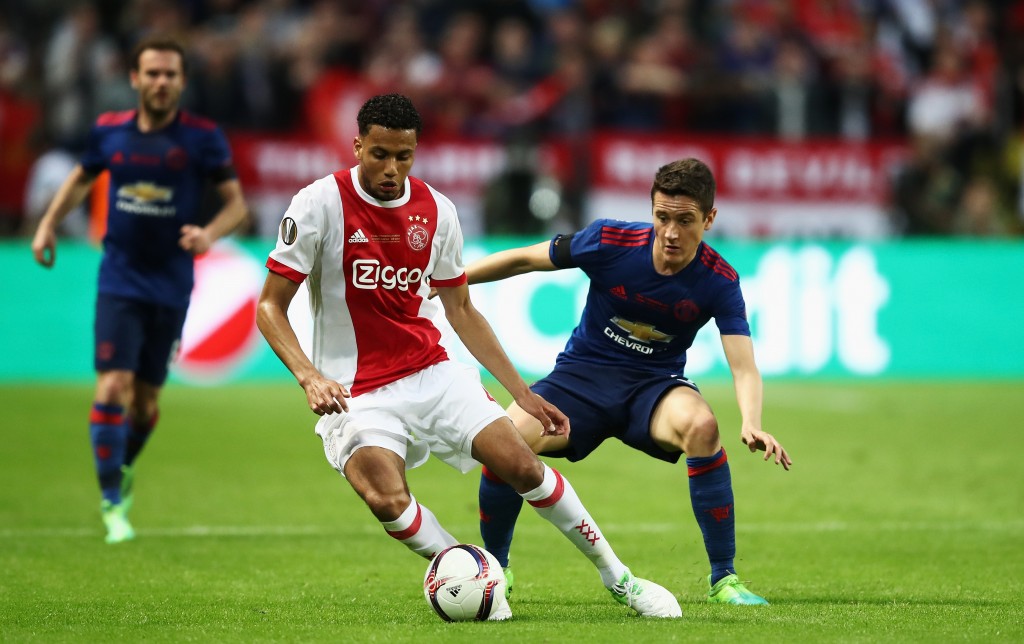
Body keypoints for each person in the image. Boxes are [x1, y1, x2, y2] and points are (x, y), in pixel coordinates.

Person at [256, 93, 680, 620]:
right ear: (358, 145)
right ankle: (472, 570)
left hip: (431, 371)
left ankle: (621, 579)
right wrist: (308, 377)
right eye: (380, 154)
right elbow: (270, 308)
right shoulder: (318, 204)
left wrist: (523, 394)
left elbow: (461, 310)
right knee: (386, 499)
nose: (391, 169)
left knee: (523, 466)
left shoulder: (436, 211)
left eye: (403, 157)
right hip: (354, 389)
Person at [465, 157, 792, 605]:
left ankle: (725, 579)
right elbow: (525, 259)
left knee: (702, 427)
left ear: (709, 219)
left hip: (653, 388)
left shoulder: (719, 280)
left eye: (685, 220)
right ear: (651, 210)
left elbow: (743, 366)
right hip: (580, 380)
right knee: (504, 441)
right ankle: (496, 568)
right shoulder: (610, 241)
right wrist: (453, 281)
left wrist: (752, 421)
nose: (672, 232)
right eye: (663, 217)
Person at [30, 36, 248, 544]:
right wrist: (46, 225)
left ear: (182, 81)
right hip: (120, 279)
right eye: (152, 73)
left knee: (145, 402)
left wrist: (209, 234)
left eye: (170, 74)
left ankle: (121, 466)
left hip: (172, 284)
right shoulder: (108, 132)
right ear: (135, 78)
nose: (161, 82)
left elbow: (237, 205)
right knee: (111, 385)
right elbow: (81, 180)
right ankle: (111, 502)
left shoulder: (202, 138)